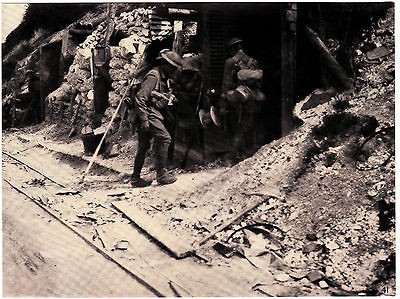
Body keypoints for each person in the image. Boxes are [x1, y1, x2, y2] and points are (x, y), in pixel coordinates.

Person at [130, 49, 182, 187]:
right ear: (164, 63)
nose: (173, 70)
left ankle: (135, 178)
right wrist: (144, 120)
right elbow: (140, 98)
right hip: (148, 113)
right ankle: (161, 175)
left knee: (144, 146)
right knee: (165, 138)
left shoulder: (162, 77)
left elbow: (156, 96)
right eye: (171, 67)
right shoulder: (154, 75)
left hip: (150, 113)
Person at [220, 38, 265, 163]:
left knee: (238, 128)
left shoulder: (230, 62)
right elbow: (259, 84)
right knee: (249, 125)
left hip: (237, 99)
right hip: (253, 99)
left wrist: (223, 104)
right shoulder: (254, 62)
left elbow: (226, 84)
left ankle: (232, 156)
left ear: (232, 49)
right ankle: (246, 154)